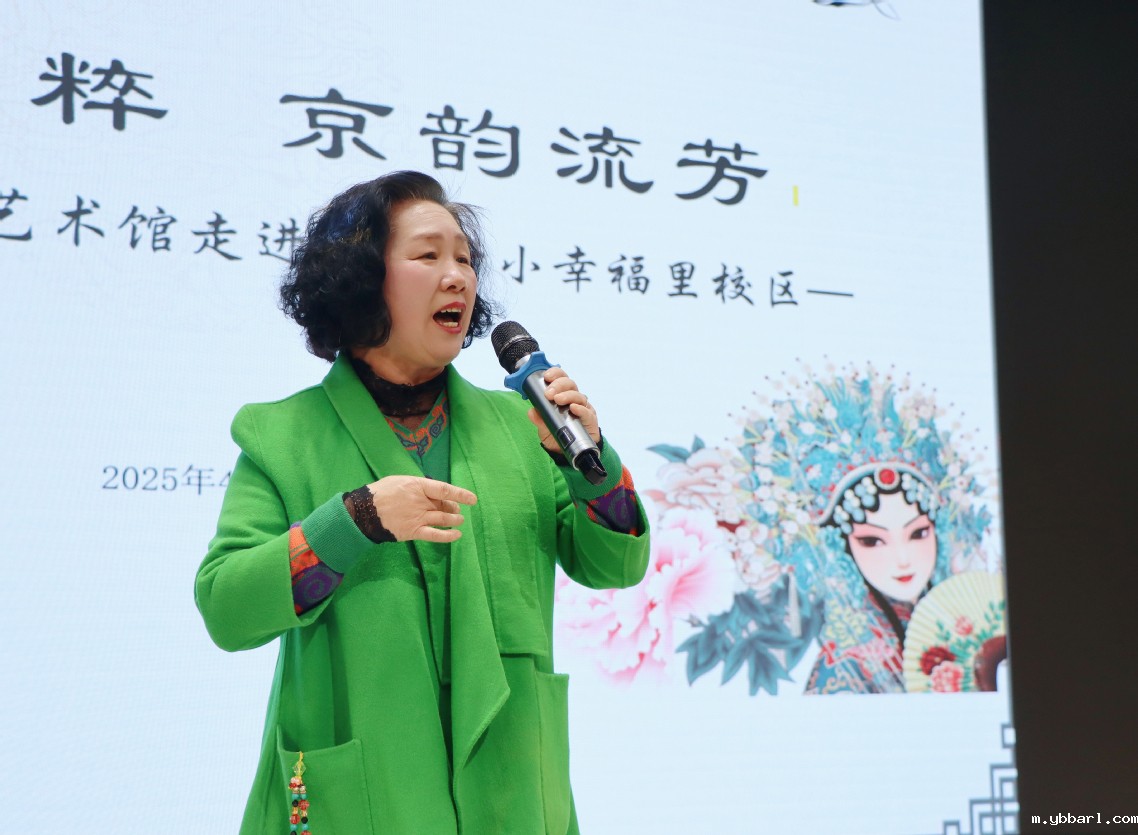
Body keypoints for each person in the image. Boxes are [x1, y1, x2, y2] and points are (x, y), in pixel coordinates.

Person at [195, 171, 650, 834]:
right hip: (364, 795)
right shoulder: (281, 435)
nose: (458, 277)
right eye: (428, 255)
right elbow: (227, 609)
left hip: (512, 788)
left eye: (465, 258)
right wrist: (353, 521)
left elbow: (616, 566)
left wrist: (593, 464)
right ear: (360, 280)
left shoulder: (522, 426)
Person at [804, 463, 939, 694]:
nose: (903, 559)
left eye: (918, 533)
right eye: (873, 541)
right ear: (843, 548)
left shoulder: (948, 616)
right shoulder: (845, 662)